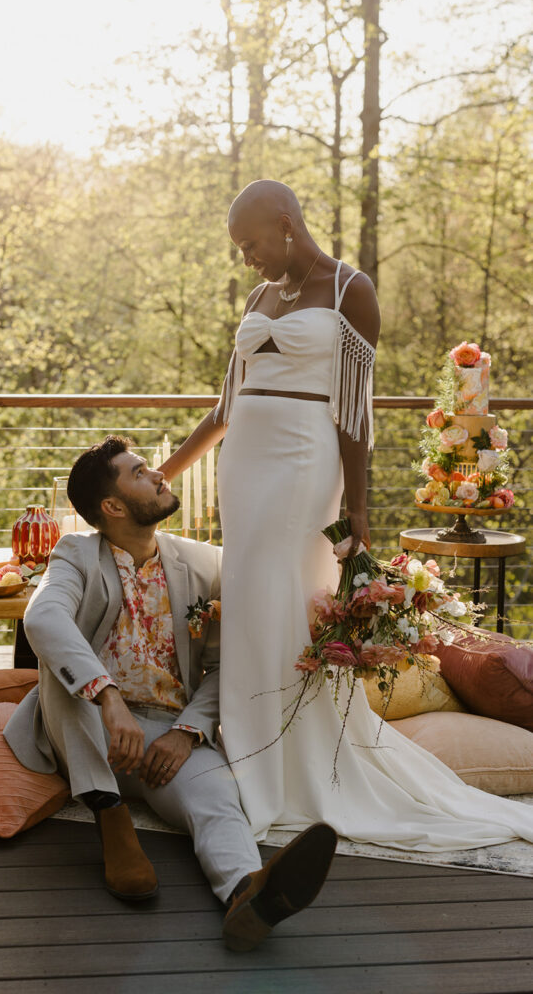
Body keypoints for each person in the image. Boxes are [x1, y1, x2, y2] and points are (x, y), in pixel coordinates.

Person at [160, 179, 533, 850]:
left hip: (305, 466)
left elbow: (355, 414)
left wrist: (357, 506)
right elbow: (224, 410)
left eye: (250, 244)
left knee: (287, 598)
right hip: (245, 467)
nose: (246, 258)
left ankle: (293, 758)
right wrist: (163, 476)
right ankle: (251, 752)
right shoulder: (257, 297)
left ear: (285, 223)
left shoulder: (349, 291)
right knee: (248, 598)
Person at [4, 435, 338, 952]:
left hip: (165, 733)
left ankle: (247, 896)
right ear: (112, 506)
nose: (159, 473)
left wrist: (187, 732)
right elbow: (43, 616)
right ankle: (109, 814)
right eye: (139, 472)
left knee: (218, 801)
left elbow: (229, 664)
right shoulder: (75, 554)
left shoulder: (203, 565)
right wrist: (108, 698)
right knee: (60, 664)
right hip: (87, 729)